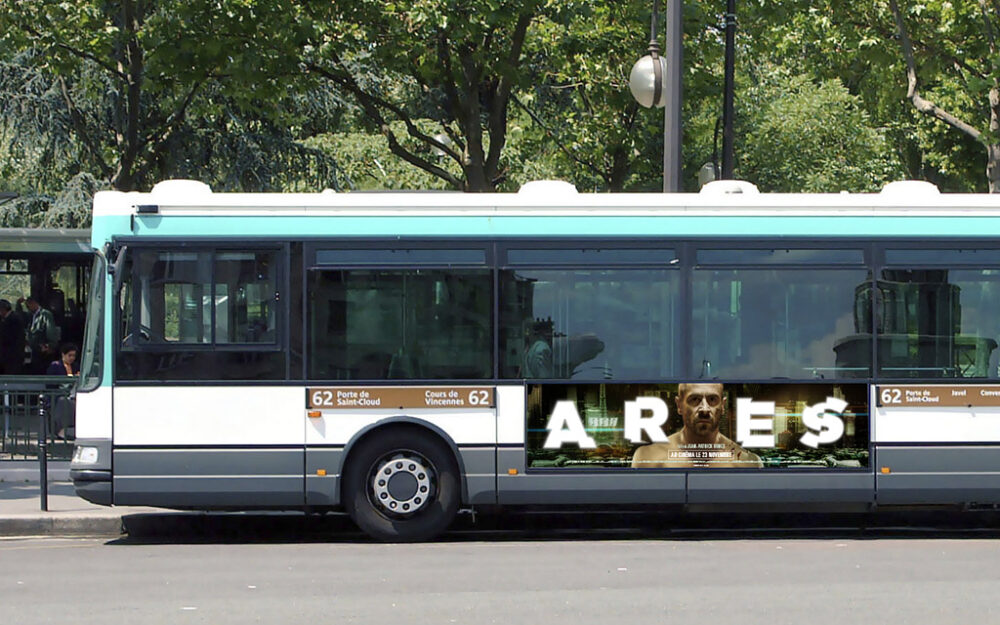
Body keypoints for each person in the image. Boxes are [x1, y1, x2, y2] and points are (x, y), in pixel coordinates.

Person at [631, 382, 763, 468]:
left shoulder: (748, 463)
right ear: (679, 405)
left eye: (712, 399)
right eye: (695, 399)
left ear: (722, 406)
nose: (704, 409)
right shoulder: (647, 457)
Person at [46, 342, 79, 440]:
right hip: (57, 394)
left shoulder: (75, 366)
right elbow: (50, 384)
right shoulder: (55, 366)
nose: (72, 358)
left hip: (72, 393)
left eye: (74, 356)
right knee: (63, 402)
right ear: (63, 355)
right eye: (70, 355)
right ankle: (61, 430)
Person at [20, 296, 60, 374]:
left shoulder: (45, 314)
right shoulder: (30, 315)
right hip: (33, 347)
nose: (28, 307)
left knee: (42, 368)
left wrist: (51, 345)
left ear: (34, 303)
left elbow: (50, 330)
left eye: (29, 305)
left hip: (43, 347)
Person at [0, 299, 26, 374]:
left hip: (12, 357)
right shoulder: (4, 319)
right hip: (5, 356)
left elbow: (9, 337)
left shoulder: (14, 319)